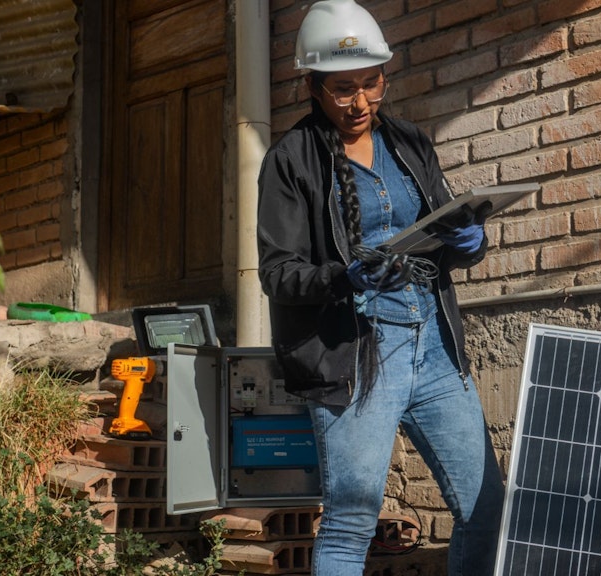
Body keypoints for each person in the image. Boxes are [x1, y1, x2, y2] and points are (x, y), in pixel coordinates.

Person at [256, 1, 505, 574]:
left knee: (485, 508)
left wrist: (470, 242)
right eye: (343, 89)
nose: (360, 102)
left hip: (437, 349)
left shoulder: (411, 142)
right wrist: (342, 277)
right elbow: (276, 272)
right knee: (350, 521)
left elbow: (443, 227)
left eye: (371, 84)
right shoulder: (291, 160)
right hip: (358, 358)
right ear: (313, 87)